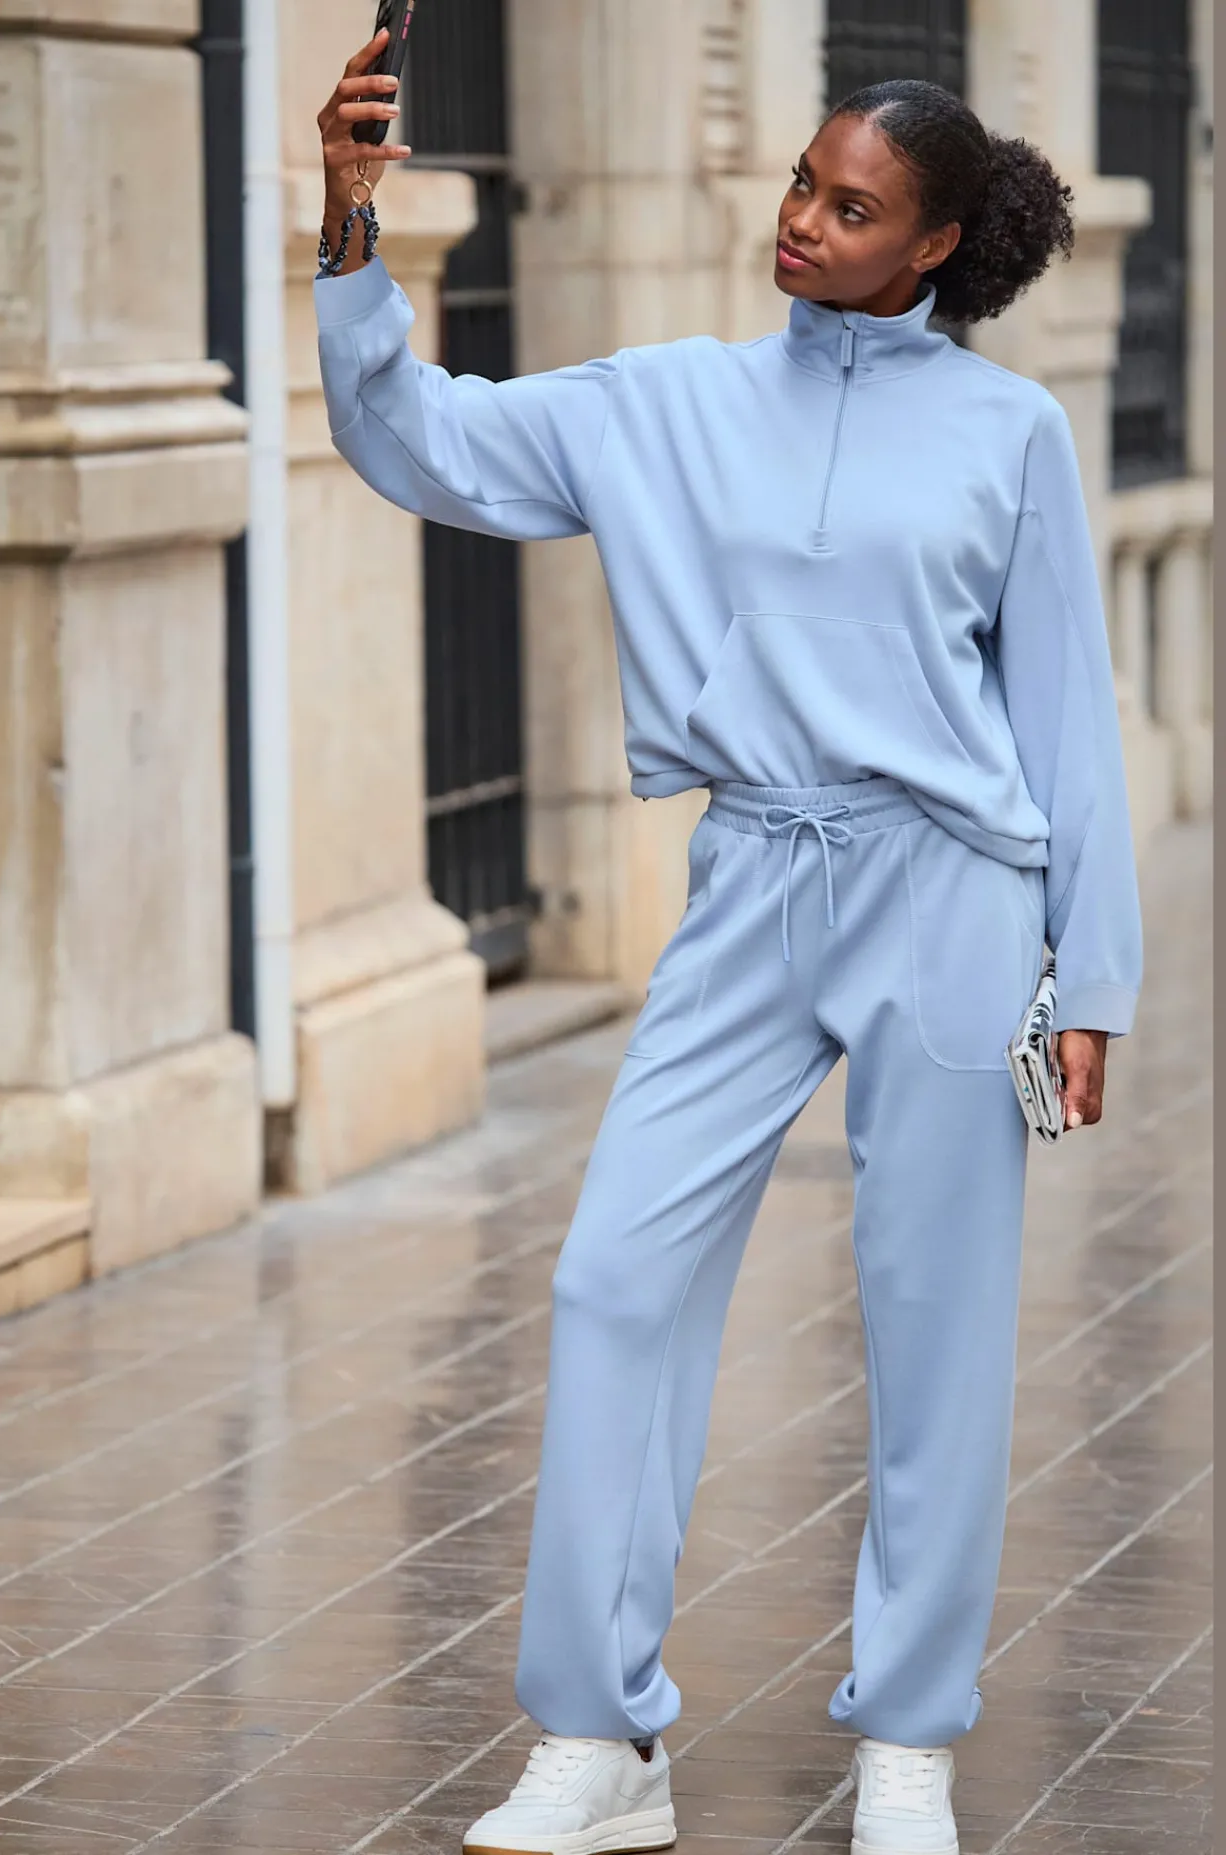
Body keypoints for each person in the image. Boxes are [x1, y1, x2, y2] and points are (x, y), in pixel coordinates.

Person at [315, 32, 1142, 1855]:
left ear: (932, 246)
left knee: (934, 1327)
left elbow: (1063, 715)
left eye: (851, 207)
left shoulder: (1009, 432)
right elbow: (412, 435)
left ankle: (907, 1744)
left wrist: (1089, 973)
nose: (803, 222)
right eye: (798, 184)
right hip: (752, 877)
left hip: (950, 890)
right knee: (612, 1279)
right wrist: (349, 222)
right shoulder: (662, 402)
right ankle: (600, 1739)